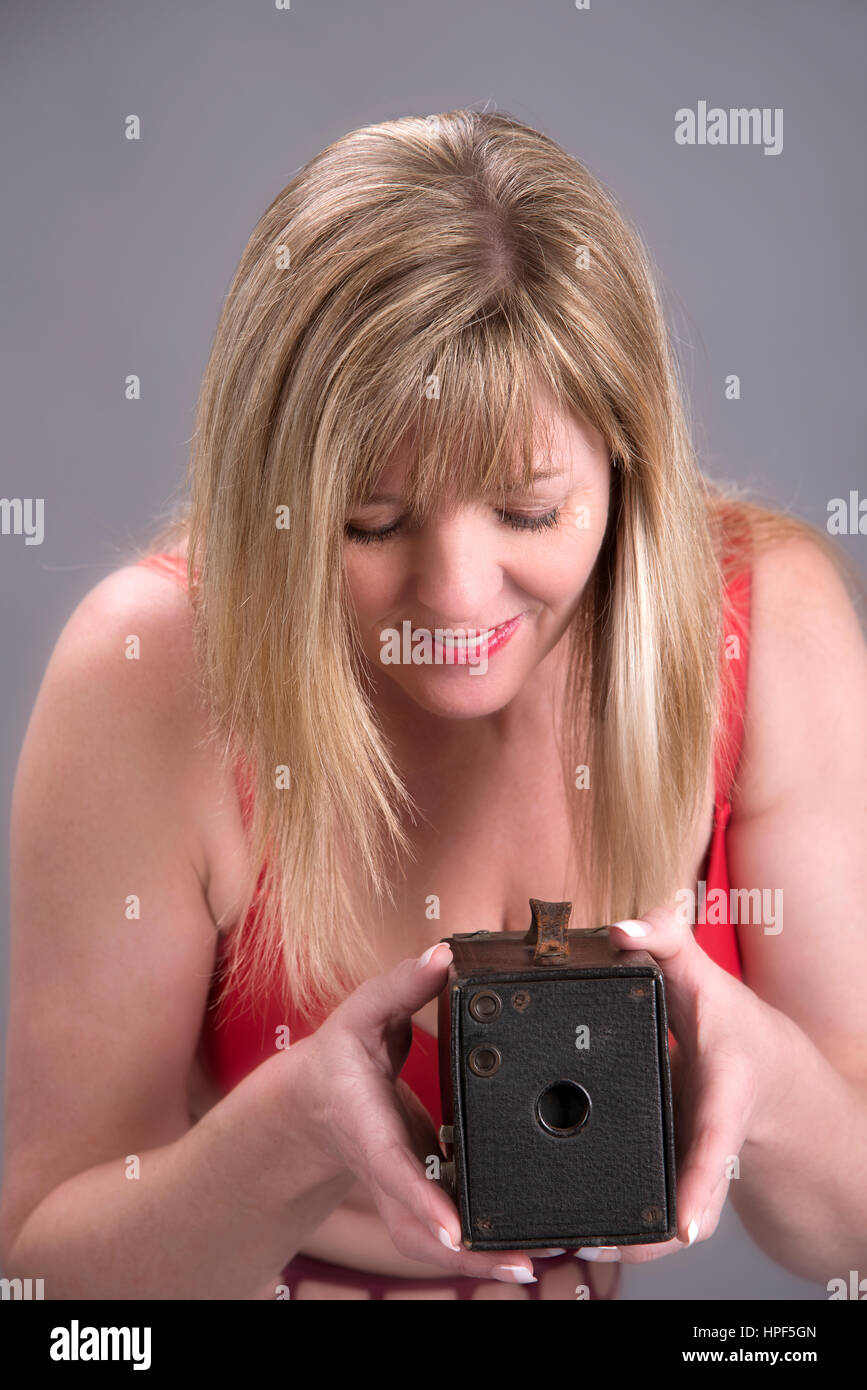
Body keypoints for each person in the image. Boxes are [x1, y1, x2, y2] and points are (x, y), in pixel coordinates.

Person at [2, 109, 866, 1302]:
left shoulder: (764, 625)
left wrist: (761, 1077)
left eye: (526, 512)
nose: (455, 598)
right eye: (373, 521)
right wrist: (289, 1136)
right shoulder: (152, 667)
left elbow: (846, 1238)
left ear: (628, 464)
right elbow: (46, 1285)